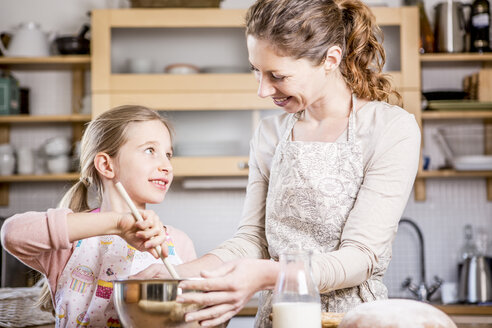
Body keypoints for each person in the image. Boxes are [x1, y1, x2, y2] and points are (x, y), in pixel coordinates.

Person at [132, 0, 421, 327]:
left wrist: (269, 274)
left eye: (277, 75)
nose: (262, 90)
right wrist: (174, 275)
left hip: (350, 318)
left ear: (330, 59)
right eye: (256, 71)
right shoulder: (271, 133)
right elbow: (252, 240)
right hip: (277, 318)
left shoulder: (389, 128)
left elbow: (360, 258)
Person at [0, 105, 197, 328]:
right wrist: (118, 224)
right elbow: (12, 234)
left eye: (168, 154)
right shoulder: (73, 239)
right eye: (150, 150)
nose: (167, 166)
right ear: (106, 164)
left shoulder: (178, 243)